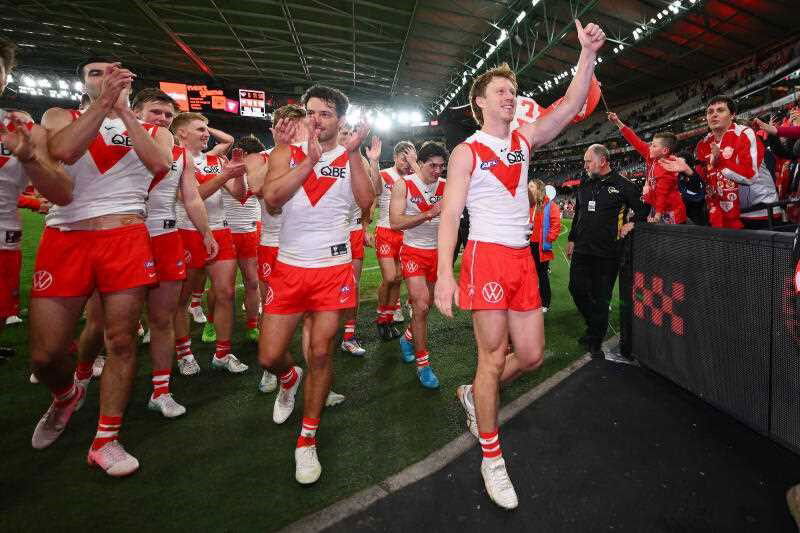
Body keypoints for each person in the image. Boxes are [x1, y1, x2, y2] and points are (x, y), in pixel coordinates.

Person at [435, 20, 607, 510]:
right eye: (502, 92)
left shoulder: (524, 141)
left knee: (530, 355)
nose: (511, 98)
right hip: (486, 256)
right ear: (481, 103)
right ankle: (492, 457)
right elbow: (450, 214)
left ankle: (473, 394)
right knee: (492, 357)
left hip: (522, 257)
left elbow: (572, 105)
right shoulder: (467, 152)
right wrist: (445, 273)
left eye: (514, 91)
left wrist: (587, 54)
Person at [31, 58, 173, 477]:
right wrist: (103, 103)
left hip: (126, 236)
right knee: (44, 355)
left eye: (114, 74)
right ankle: (65, 395)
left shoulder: (152, 128)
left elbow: (160, 165)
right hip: (66, 236)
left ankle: (107, 438)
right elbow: (62, 151)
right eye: (95, 73)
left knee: (122, 341)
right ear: (84, 83)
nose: (105, 78)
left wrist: (125, 110)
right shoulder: (60, 116)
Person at [259, 85, 373, 485]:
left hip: (332, 269)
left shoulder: (349, 156)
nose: (316, 119)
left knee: (321, 353)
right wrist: (308, 162)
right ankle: (289, 379)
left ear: (339, 120)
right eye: (311, 112)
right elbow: (271, 198)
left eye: (325, 113)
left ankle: (307, 439)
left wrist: (355, 153)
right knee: (270, 356)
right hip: (288, 267)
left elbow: (366, 201)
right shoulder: (284, 153)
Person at [0, 40, 74, 361]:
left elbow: (54, 189)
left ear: (5, 77)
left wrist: (30, 159)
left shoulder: (22, 126)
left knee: (2, 307)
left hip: (4, 236)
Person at [171, 112, 248, 375]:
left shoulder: (215, 160)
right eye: (200, 129)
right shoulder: (173, 158)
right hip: (186, 232)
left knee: (225, 294)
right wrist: (225, 176)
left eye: (206, 129)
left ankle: (223, 353)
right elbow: (191, 197)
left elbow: (240, 195)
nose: (206, 133)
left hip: (221, 231)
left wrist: (238, 174)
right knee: (181, 300)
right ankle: (184, 353)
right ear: (181, 133)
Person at [567, 144, 648, 358]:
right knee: (576, 289)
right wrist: (572, 238)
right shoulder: (585, 182)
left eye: (588, 161)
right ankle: (594, 325)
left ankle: (595, 338)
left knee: (601, 297)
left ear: (602, 161)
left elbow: (644, 209)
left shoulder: (623, 185)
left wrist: (632, 223)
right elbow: (578, 213)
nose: (584, 165)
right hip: (583, 249)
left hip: (608, 252)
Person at [390, 141, 448, 389]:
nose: (437, 170)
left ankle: (408, 338)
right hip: (413, 252)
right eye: (432, 165)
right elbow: (395, 222)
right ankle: (423, 365)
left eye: (441, 166)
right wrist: (429, 214)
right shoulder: (404, 184)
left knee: (427, 307)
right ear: (421, 163)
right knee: (421, 305)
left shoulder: (448, 186)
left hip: (439, 253)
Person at [692, 95, 779, 229]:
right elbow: (705, 182)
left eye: (720, 110)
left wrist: (719, 162)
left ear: (732, 115)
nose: (714, 114)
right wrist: (687, 174)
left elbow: (749, 176)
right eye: (710, 112)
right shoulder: (703, 144)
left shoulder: (745, 134)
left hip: (760, 212)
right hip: (725, 217)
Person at [339, 127, 380, 356]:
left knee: (352, 285)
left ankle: (349, 335)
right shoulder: (322, 156)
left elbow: (372, 194)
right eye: (343, 131)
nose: (346, 134)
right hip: (328, 232)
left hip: (353, 230)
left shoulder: (359, 160)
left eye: (349, 131)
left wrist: (364, 226)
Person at [607, 112, 686, 224]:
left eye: (654, 145)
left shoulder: (668, 167)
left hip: (672, 212)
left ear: (664, 151)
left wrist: (658, 214)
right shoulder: (652, 156)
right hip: (658, 209)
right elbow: (635, 141)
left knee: (672, 240)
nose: (650, 147)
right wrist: (617, 122)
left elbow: (662, 194)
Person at [223, 135, 265, 343]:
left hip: (250, 232)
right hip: (225, 232)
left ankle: (252, 324)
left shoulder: (259, 172)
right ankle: (214, 325)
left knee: (253, 282)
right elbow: (238, 194)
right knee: (224, 288)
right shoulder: (225, 169)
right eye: (256, 156)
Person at [373, 141, 416, 340]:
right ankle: (381, 315)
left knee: (398, 277)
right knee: (390, 277)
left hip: (405, 234)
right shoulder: (384, 175)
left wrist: (415, 167)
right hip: (385, 231)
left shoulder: (414, 179)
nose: (406, 163)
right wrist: (374, 162)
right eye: (403, 159)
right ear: (396, 157)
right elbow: (373, 192)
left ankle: (387, 319)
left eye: (410, 160)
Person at [528, 180, 561, 312]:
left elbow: (555, 224)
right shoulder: (528, 204)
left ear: (539, 189)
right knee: (529, 274)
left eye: (531, 186)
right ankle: (530, 298)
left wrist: (549, 239)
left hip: (541, 246)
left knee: (542, 275)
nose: (528, 188)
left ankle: (545, 303)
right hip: (527, 244)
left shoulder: (550, 205)